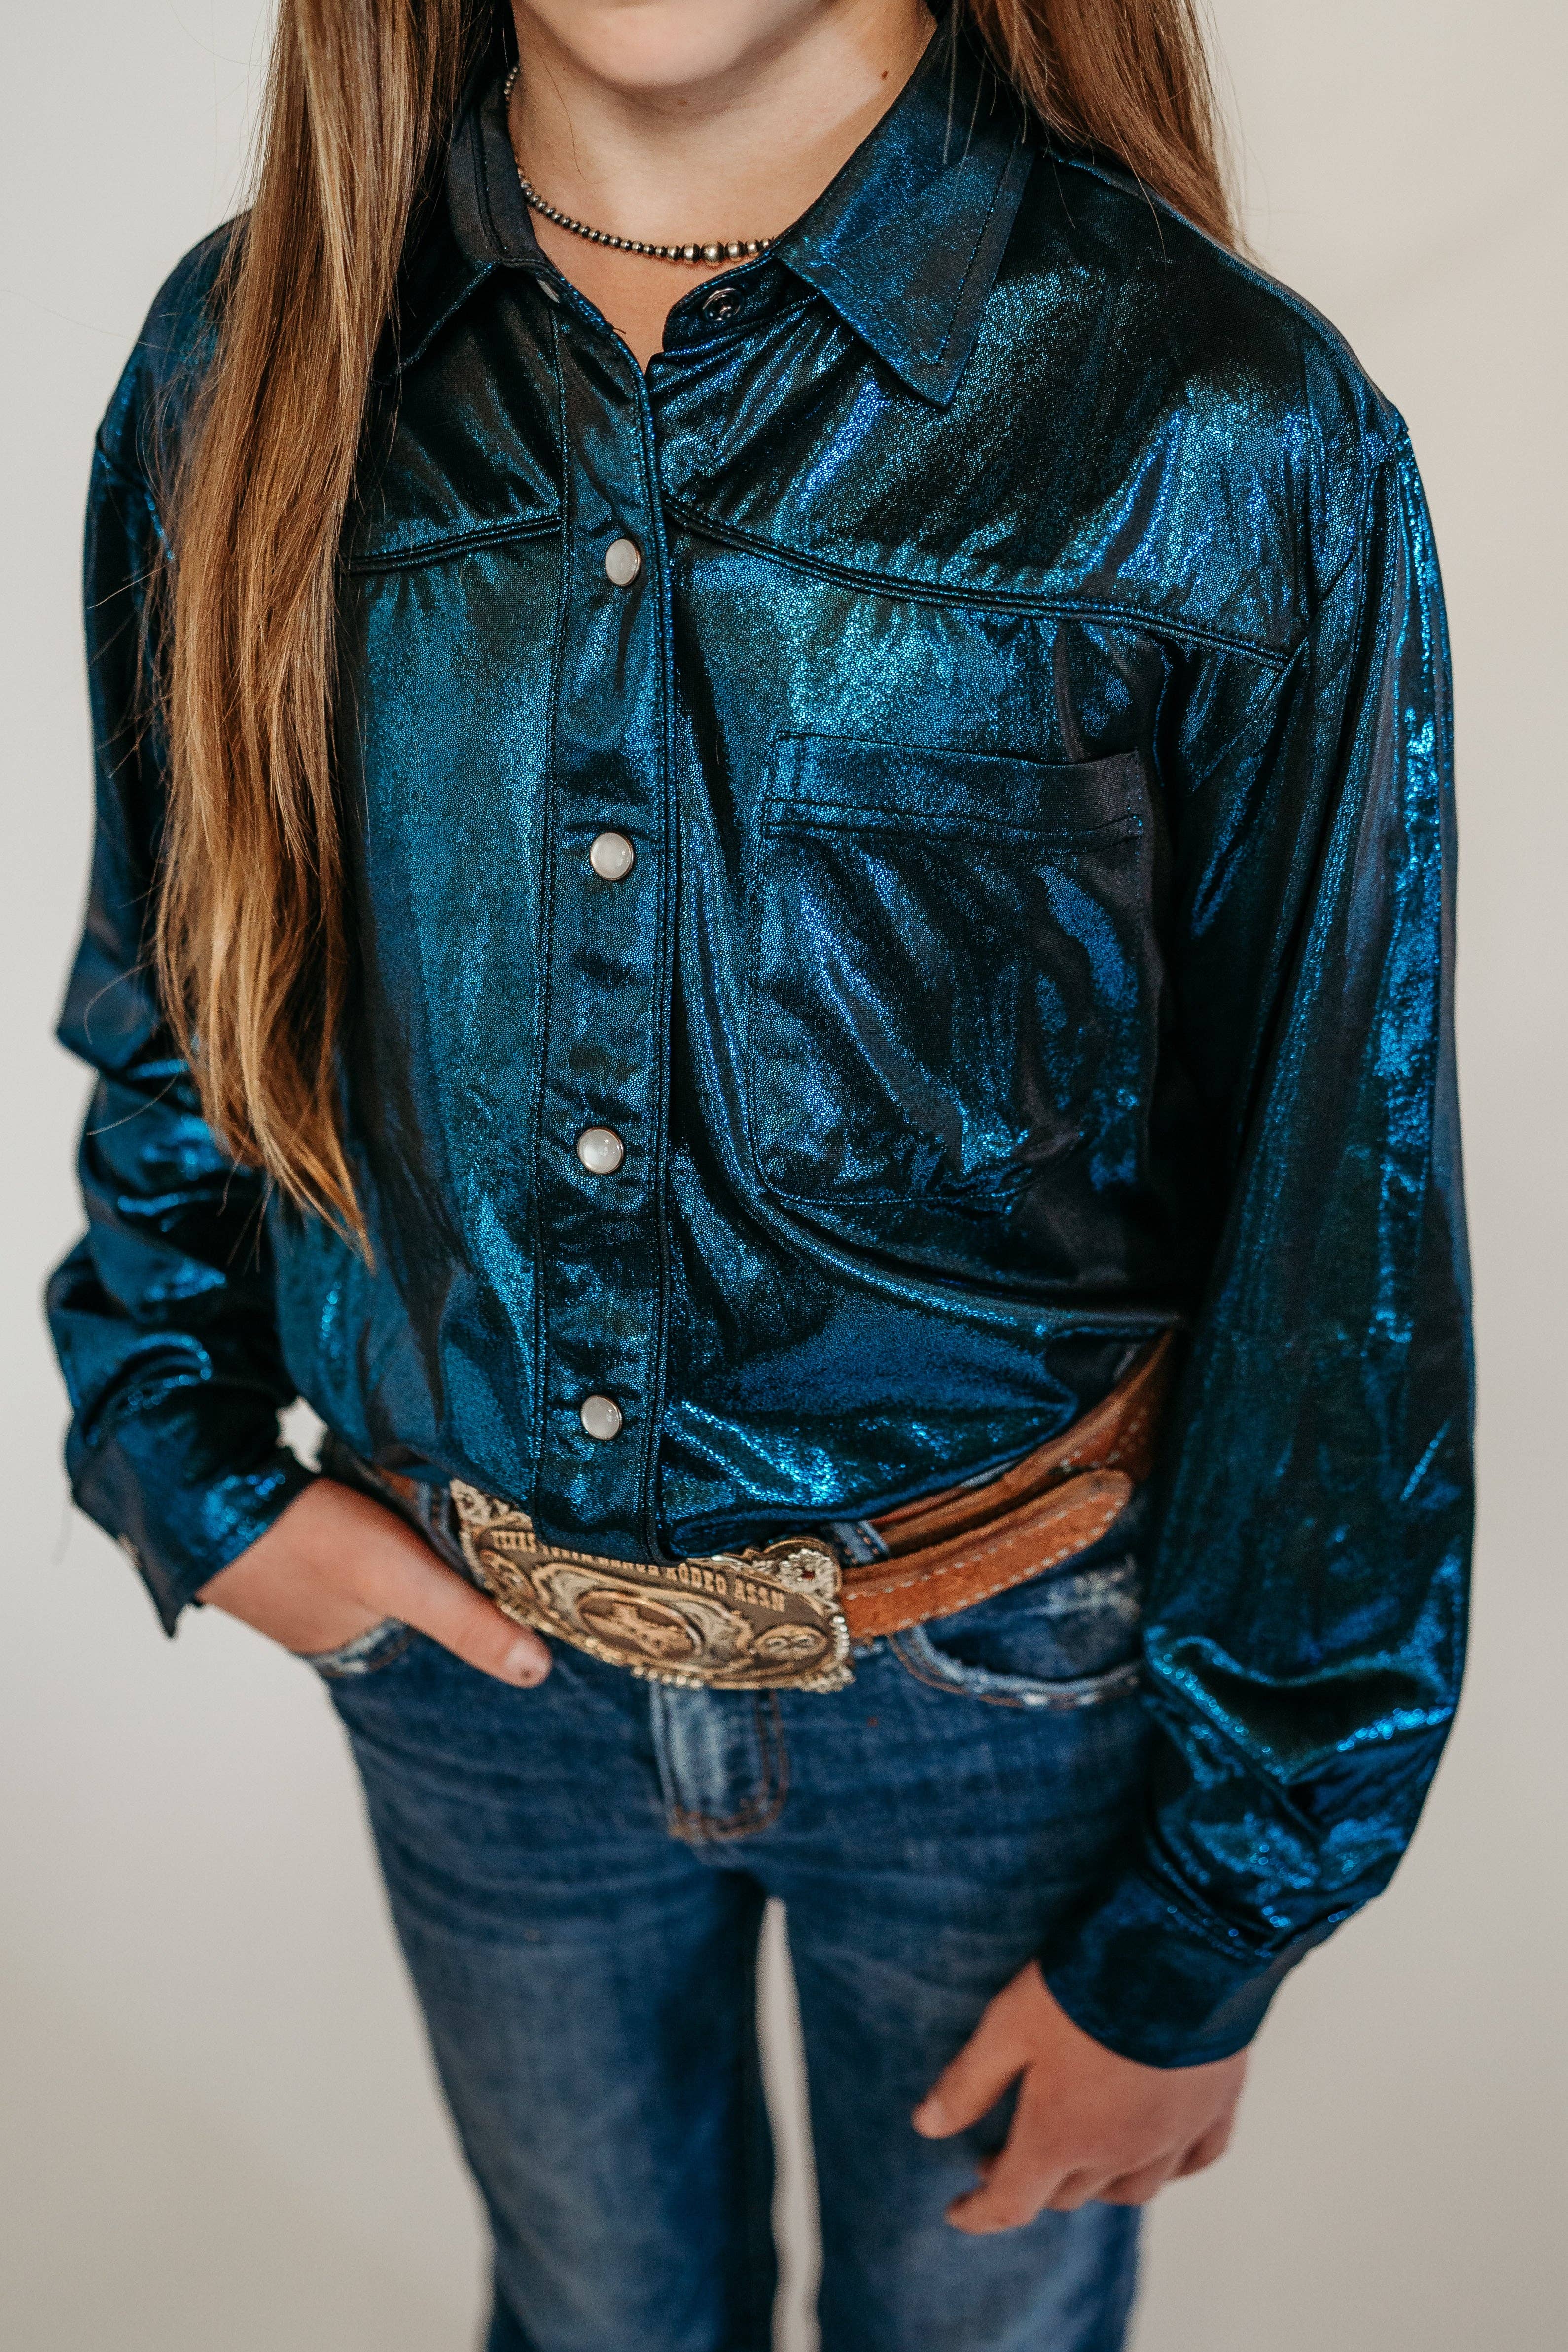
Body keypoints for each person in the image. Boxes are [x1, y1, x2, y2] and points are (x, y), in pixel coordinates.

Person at [48, 0, 1472, 2345]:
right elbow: (187, 975)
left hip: (1009, 1691)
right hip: (476, 1683)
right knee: (594, 2313)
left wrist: (1219, 1912)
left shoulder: (1217, 420)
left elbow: (1342, 1200)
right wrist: (184, 1458)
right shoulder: (253, 350)